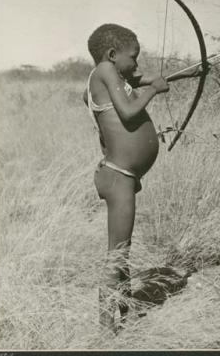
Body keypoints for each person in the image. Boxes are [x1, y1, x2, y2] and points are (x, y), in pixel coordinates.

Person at [83, 23, 204, 334]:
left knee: (123, 247)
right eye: (133, 57)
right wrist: (152, 90)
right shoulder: (104, 72)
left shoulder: (110, 75)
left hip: (122, 176)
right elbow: (127, 111)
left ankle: (121, 308)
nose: (137, 64)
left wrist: (188, 73)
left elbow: (136, 79)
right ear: (111, 55)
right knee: (118, 253)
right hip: (118, 176)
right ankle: (106, 332)